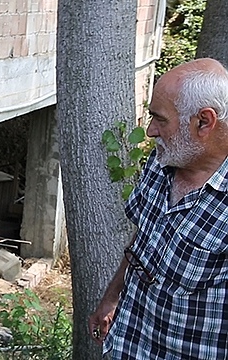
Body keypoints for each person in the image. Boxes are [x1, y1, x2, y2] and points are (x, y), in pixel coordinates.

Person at [89, 58, 228, 359]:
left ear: (204, 122)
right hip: (131, 343)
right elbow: (143, 239)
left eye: (160, 119)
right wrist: (111, 298)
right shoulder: (164, 159)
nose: (150, 131)